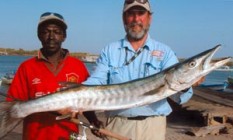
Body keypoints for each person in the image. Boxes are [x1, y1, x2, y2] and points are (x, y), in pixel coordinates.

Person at [83, 0, 204, 140]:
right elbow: (96, 81)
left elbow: (179, 98)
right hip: (117, 125)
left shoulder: (165, 52)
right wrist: (72, 99)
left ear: (149, 18)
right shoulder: (110, 51)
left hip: (153, 127)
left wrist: (186, 84)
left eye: (141, 13)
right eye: (131, 14)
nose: (136, 19)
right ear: (124, 18)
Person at [6, 12, 101, 140]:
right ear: (39, 35)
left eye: (56, 32)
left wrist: (94, 121)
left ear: (64, 36)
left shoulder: (78, 66)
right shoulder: (26, 67)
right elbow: (12, 105)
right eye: (46, 31)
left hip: (68, 136)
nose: (51, 36)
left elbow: (87, 100)